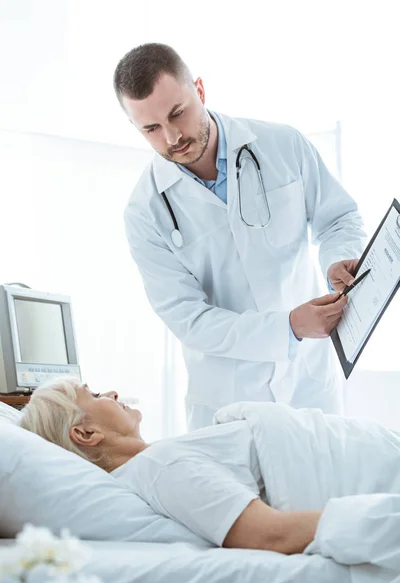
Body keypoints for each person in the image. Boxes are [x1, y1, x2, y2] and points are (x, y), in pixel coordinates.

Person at [114, 43, 367, 430]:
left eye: (177, 113)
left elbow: (339, 218)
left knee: (328, 488)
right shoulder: (145, 212)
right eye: (151, 128)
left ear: (199, 89)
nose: (171, 137)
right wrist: (289, 327)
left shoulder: (283, 145)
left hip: (308, 385)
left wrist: (337, 259)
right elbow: (191, 320)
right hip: (225, 402)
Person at [20, 378, 400, 555]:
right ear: (85, 433)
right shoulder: (160, 468)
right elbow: (270, 535)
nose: (113, 393)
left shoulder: (158, 459)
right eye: (96, 394)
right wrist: (386, 520)